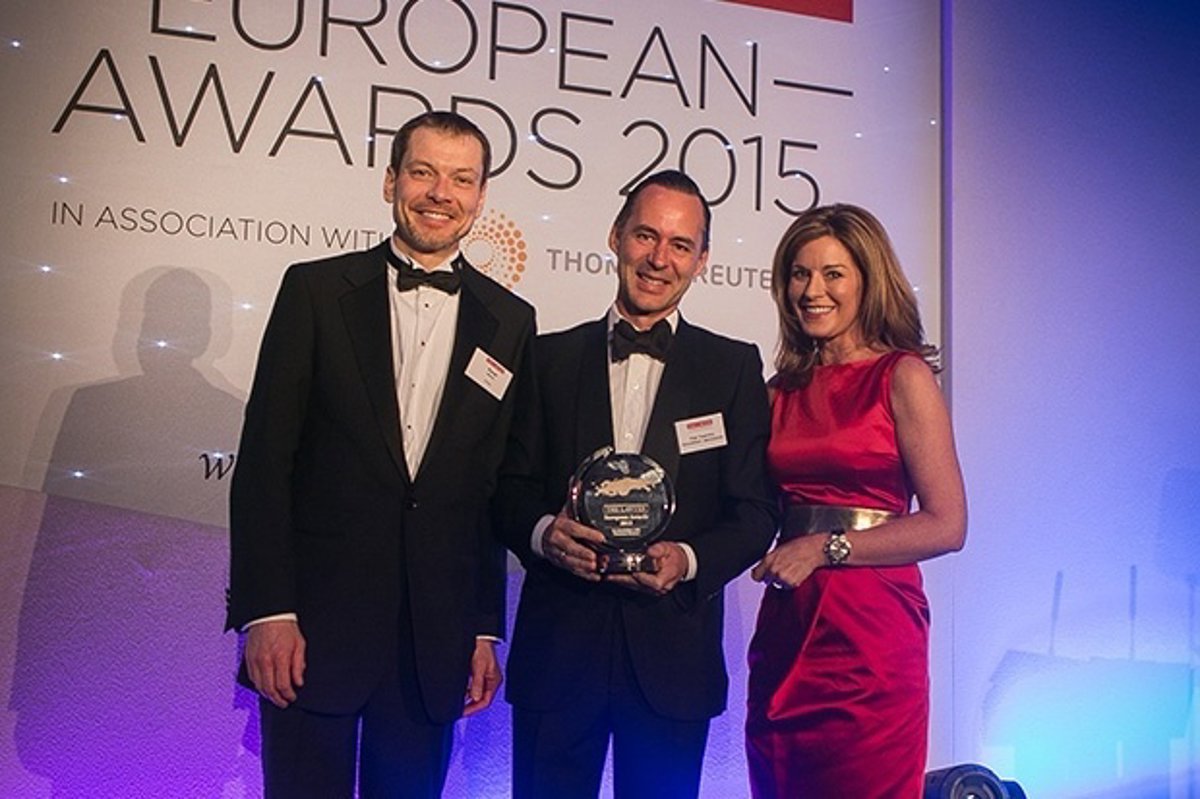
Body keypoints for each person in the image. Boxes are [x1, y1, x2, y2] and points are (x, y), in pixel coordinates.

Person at [225, 110, 536, 798]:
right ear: (391, 181)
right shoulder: (314, 291)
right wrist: (267, 610)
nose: (440, 193)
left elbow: (487, 489)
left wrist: (484, 627)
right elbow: (266, 463)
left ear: (481, 196)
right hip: (311, 630)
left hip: (433, 641)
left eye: (461, 179)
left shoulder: (511, 323)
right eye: (423, 172)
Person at [495, 170, 778, 799]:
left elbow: (756, 511)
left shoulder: (732, 367)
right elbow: (507, 490)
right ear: (615, 237)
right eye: (645, 235)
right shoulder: (546, 359)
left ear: (702, 260)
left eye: (680, 245)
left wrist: (688, 559)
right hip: (559, 651)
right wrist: (543, 534)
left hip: (672, 656)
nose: (658, 259)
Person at [745, 203, 967, 798]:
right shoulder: (777, 392)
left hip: (871, 637)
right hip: (788, 632)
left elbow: (947, 524)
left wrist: (825, 547)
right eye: (799, 274)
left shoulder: (903, 376)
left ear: (868, 281)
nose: (812, 290)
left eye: (833, 274)